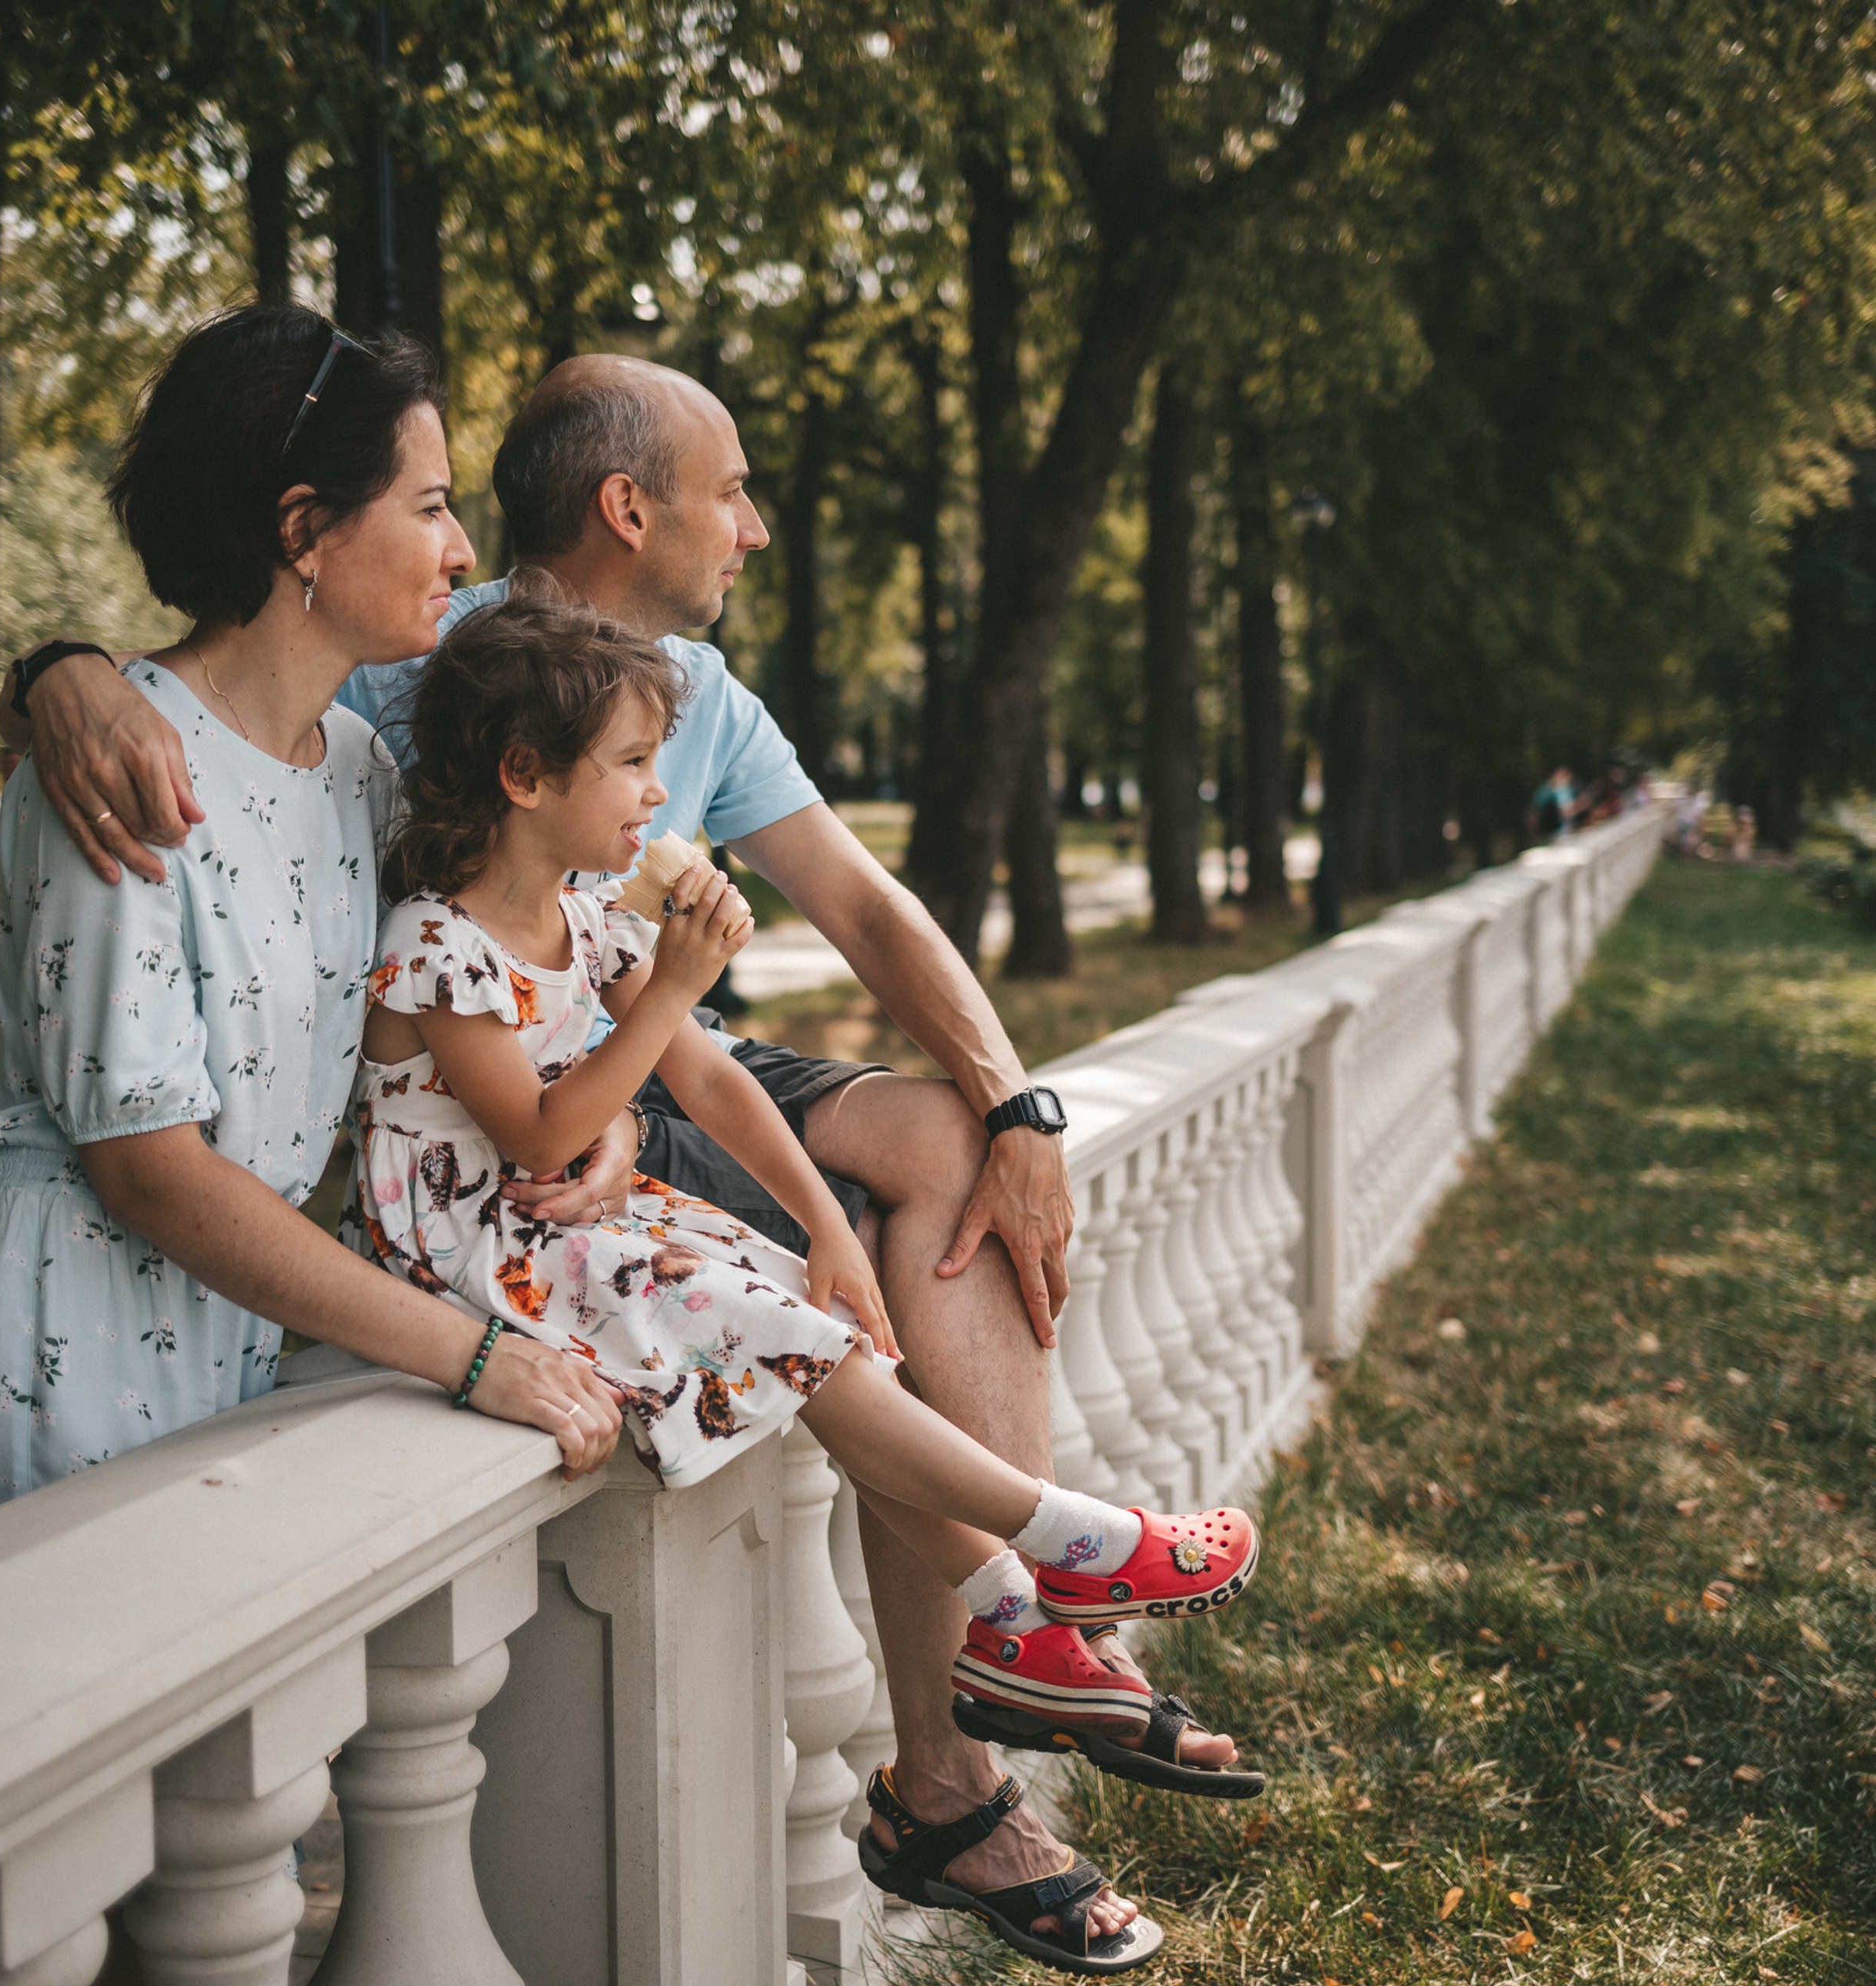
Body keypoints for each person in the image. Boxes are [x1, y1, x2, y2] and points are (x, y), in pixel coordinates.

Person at [0, 354, 1222, 1947]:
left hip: (584, 1047)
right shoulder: (422, 684)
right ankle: (1007, 1626)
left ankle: (990, 1669)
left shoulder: (583, 711)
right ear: (628, 507)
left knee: (931, 1167)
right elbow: (222, 713)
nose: (758, 531)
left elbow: (847, 910)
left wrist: (1011, 1103)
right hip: (452, 1137)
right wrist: (55, 668)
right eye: (731, 493)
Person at [354, 583, 1259, 1971]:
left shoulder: (588, 915)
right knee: (794, 1342)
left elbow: (709, 1078)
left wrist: (826, 1228)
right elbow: (538, 1131)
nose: (662, 797)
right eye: (635, 769)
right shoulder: (436, 940)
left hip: (576, 1225)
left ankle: (1017, 1607)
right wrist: (670, 987)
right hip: (492, 1248)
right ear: (525, 778)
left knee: (825, 1320)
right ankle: (1068, 1545)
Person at [0, 304, 623, 1521]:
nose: (464, 548)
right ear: (303, 529)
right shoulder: (121, 774)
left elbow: (472, 992)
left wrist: (595, 1121)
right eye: (428, 506)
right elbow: (152, 1171)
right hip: (69, 1348)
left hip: (244, 1338)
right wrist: (471, 1355)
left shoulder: (361, 769)